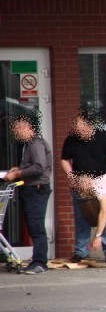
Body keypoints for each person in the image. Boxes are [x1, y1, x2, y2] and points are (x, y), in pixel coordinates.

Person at [60, 107, 106, 263]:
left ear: (88, 125)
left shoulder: (102, 136)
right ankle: (81, 251)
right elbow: (64, 159)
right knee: (81, 219)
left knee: (105, 217)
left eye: (80, 125)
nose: (78, 129)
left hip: (102, 183)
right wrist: (70, 174)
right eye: (76, 126)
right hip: (81, 185)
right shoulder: (71, 139)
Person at [5, 112, 53, 275]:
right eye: (16, 128)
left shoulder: (35, 144)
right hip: (31, 188)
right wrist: (18, 169)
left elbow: (39, 167)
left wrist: (18, 174)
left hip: (37, 188)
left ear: (29, 128)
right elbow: (32, 166)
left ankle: (40, 262)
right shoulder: (28, 144)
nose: (17, 131)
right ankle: (36, 260)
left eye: (20, 128)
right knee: (32, 226)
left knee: (36, 226)